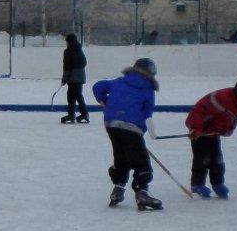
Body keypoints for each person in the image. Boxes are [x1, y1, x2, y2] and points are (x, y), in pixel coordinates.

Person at [92, 58, 162, 210]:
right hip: (132, 127)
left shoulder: (119, 81)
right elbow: (147, 112)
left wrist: (104, 101)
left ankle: (118, 188)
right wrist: (142, 132)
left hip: (111, 124)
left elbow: (98, 86)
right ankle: (142, 192)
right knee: (140, 160)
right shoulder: (148, 89)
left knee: (121, 155)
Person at [184, 76, 237, 199]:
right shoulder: (222, 98)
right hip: (201, 132)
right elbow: (198, 111)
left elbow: (229, 117)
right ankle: (197, 184)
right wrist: (195, 128)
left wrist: (227, 129)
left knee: (217, 160)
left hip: (213, 132)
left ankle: (217, 183)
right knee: (202, 159)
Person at [60, 33, 89, 124]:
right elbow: (84, 63)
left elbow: (67, 66)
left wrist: (64, 79)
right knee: (78, 95)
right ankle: (83, 114)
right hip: (80, 77)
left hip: (73, 77)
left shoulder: (68, 51)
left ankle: (73, 115)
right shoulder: (79, 50)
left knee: (71, 96)